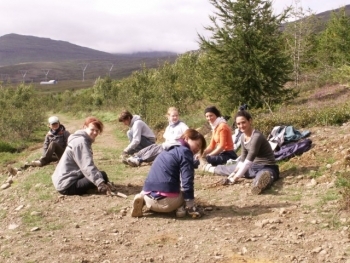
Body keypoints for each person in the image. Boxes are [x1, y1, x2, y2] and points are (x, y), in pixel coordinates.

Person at [131, 128, 206, 218]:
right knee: (184, 192)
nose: (197, 149)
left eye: (199, 148)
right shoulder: (186, 152)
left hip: (148, 199)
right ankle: (180, 208)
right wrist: (191, 205)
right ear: (186, 138)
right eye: (197, 145)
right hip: (167, 204)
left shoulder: (167, 149)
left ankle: (142, 198)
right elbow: (187, 180)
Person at [202, 108, 279, 195]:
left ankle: (258, 185)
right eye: (238, 124)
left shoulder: (257, 137)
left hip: (267, 166)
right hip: (253, 166)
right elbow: (243, 157)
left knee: (263, 175)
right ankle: (209, 168)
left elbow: (248, 160)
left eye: (243, 122)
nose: (241, 126)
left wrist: (235, 178)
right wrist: (236, 170)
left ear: (250, 121)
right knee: (229, 168)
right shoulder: (242, 137)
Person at [52, 117, 116, 196]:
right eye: (92, 129)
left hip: (62, 180)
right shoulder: (81, 142)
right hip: (67, 186)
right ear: (84, 127)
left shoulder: (79, 139)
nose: (95, 132)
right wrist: (100, 183)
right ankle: (97, 187)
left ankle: (96, 186)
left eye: (97, 130)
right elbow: (87, 165)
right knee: (102, 176)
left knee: (99, 175)